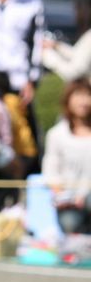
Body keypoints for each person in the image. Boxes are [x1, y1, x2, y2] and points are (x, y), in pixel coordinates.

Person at [42, 77, 91, 235]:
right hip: (70, 202)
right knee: (70, 223)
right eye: (78, 95)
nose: (83, 101)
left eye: (87, 95)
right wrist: (64, 196)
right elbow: (51, 171)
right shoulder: (56, 134)